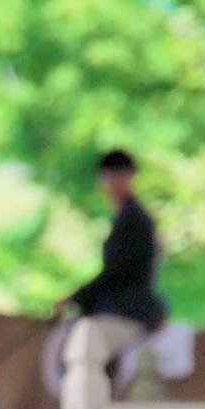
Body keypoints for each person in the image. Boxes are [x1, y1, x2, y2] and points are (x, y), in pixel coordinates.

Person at [55, 149, 167, 358]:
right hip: (116, 308)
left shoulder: (135, 219)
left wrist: (75, 298)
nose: (114, 183)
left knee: (83, 350)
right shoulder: (124, 217)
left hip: (128, 311)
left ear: (130, 178)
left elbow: (116, 273)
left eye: (120, 176)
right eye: (110, 177)